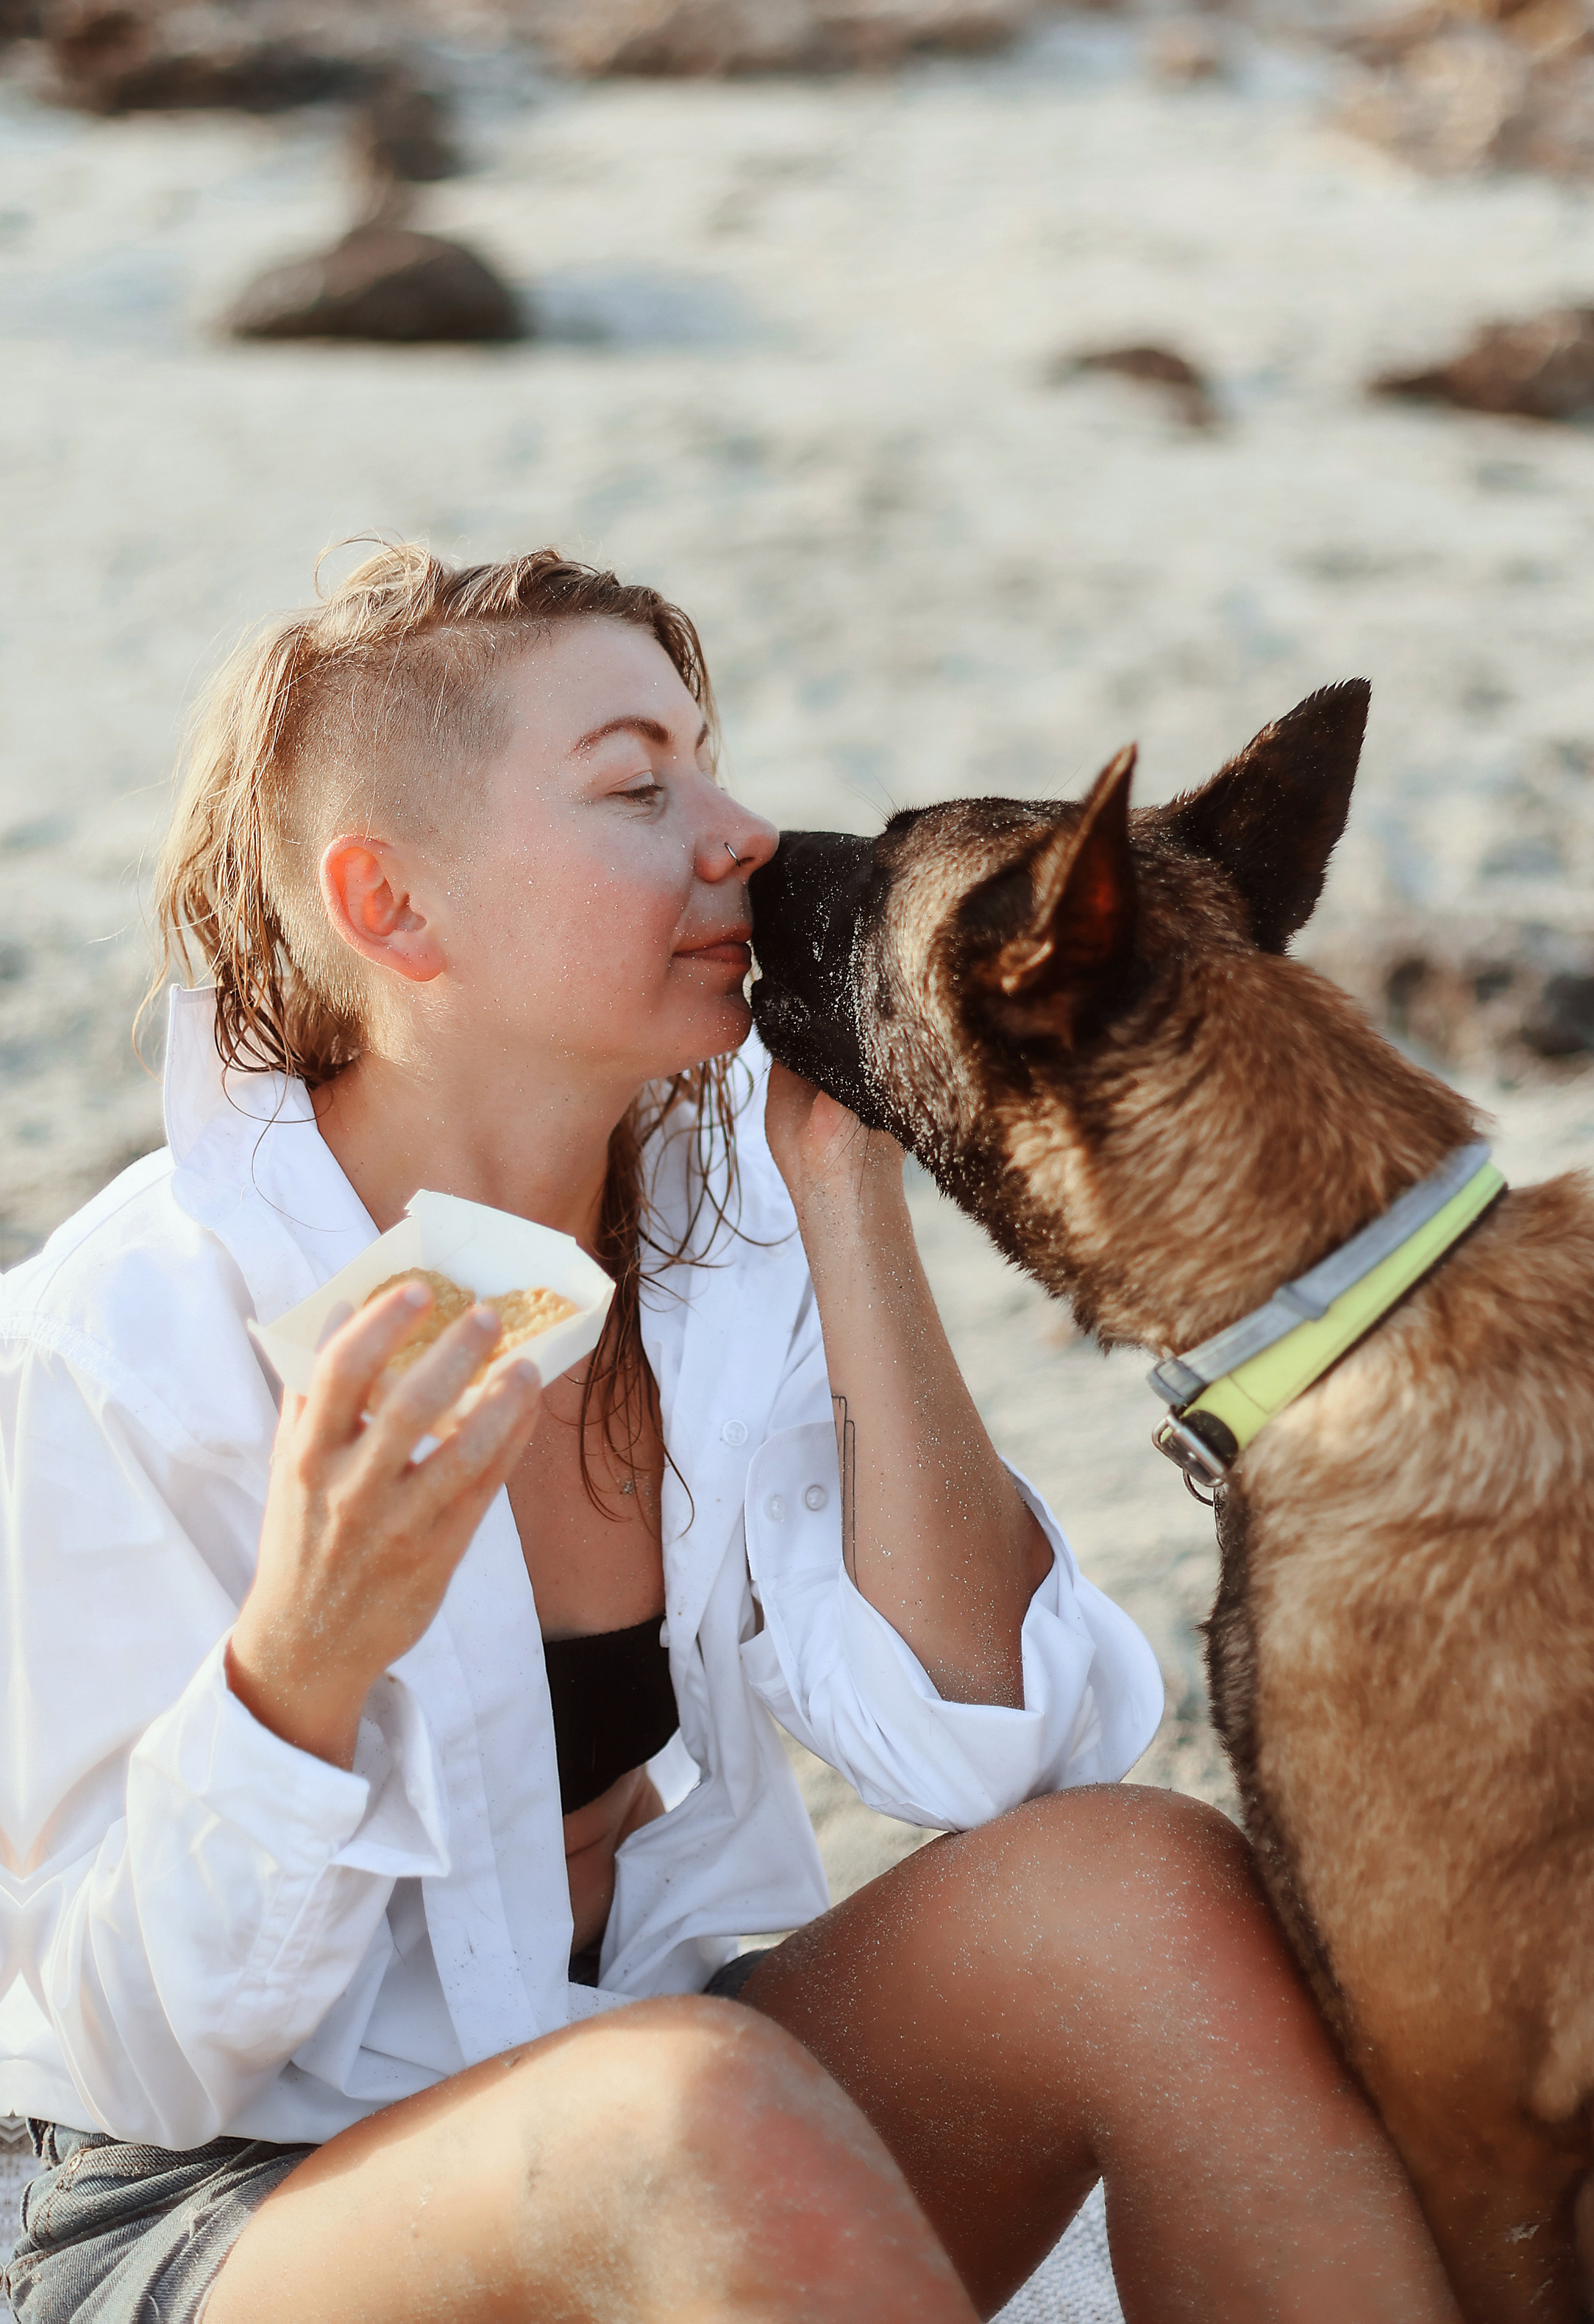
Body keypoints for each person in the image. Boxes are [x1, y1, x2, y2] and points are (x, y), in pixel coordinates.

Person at [0, 546, 1459, 2324]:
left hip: (659, 2108)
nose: (744, 829)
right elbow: (142, 2058)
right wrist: (300, 1659)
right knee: (685, 2106)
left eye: (711, 758)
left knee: (1140, 1892)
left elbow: (987, 1763)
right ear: (390, 904)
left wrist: (850, 1200)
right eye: (637, 785)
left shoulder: (722, 1233)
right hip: (230, 2227)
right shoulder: (117, 1340)